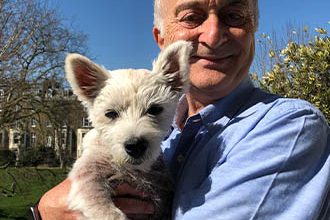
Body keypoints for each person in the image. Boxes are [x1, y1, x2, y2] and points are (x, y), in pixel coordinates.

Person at [36, 0, 330, 219]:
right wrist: (43, 211)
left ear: (253, 31)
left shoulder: (288, 127)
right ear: (161, 40)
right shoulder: (170, 134)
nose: (213, 36)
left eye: (234, 16)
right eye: (191, 17)